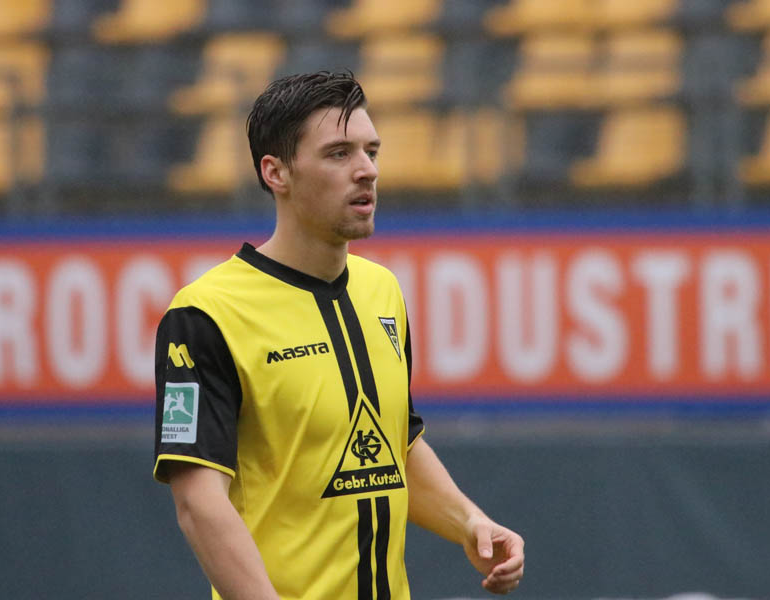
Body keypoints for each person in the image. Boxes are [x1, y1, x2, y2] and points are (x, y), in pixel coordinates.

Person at [153, 71, 524, 600]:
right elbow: (198, 503)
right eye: (338, 153)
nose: (367, 170)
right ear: (276, 172)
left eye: (371, 151)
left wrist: (469, 521)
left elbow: (391, 447)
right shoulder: (206, 315)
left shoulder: (382, 291)